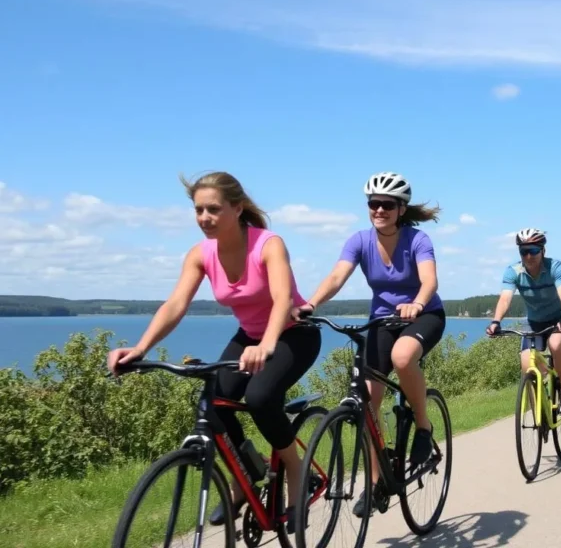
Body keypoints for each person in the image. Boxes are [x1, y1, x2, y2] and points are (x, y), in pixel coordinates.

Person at [105, 171, 321, 531]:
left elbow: (283, 298)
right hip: (250, 336)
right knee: (213, 404)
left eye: (214, 209)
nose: (205, 218)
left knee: (260, 396)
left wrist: (267, 345)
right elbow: (176, 304)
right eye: (199, 210)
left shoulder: (267, 244)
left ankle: (296, 472)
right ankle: (246, 478)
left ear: (237, 208)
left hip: (293, 334)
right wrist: (141, 347)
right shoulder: (200, 254)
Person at [294, 171, 444, 518]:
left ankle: (423, 426)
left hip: (424, 314)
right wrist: (311, 305)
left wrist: (417, 304)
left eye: (387, 205)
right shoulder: (359, 241)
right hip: (382, 320)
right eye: (373, 204)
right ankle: (376, 480)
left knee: (403, 357)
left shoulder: (417, 240)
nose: (379, 210)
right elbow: (336, 277)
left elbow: (429, 280)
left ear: (401, 209)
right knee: (366, 398)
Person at [485, 228, 561, 415]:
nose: (529, 256)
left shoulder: (556, 267)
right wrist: (495, 321)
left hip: (560, 318)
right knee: (526, 362)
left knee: (555, 344)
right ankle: (538, 409)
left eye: (534, 250)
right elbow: (505, 299)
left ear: (543, 250)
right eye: (524, 251)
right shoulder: (513, 272)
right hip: (535, 321)